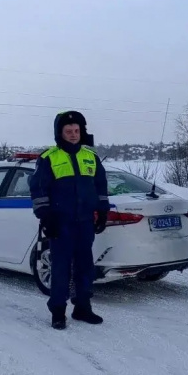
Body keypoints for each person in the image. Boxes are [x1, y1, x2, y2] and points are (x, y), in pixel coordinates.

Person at [28, 110, 110, 329]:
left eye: (77, 131)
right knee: (61, 269)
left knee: (85, 267)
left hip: (84, 223)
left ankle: (83, 308)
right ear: (60, 133)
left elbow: (101, 187)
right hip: (60, 223)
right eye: (68, 131)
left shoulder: (90, 157)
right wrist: (46, 217)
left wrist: (103, 211)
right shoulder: (48, 158)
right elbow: (38, 190)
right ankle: (58, 311)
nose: (74, 134)